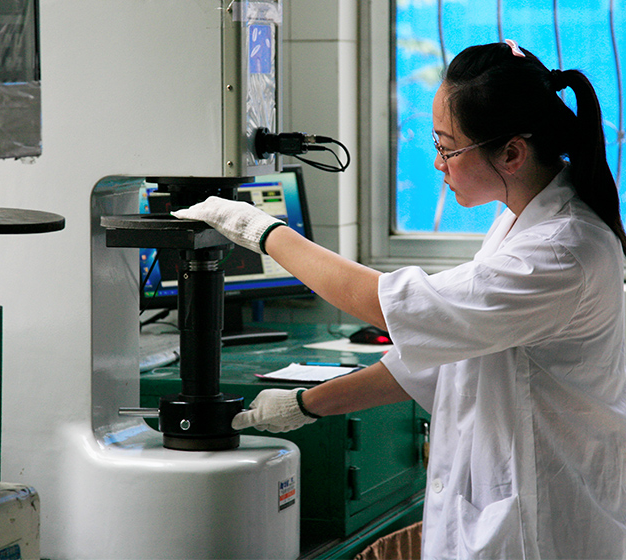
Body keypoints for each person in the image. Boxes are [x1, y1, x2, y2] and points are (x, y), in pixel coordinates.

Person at [173, 40, 626, 559]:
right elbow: (445, 362)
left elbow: (381, 303)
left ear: (511, 153)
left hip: (542, 532)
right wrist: (305, 405)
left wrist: (259, 229)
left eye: (447, 147)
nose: (437, 163)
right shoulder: (516, 226)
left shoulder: (561, 252)